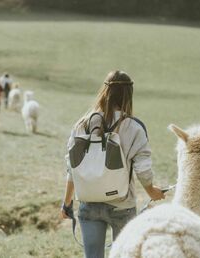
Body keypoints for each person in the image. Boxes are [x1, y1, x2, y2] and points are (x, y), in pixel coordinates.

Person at [60, 70, 165, 258]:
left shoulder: (82, 124)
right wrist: (152, 192)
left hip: (89, 202)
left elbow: (72, 168)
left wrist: (66, 203)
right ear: (128, 95)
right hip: (122, 205)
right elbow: (143, 169)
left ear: (105, 91)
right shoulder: (134, 127)